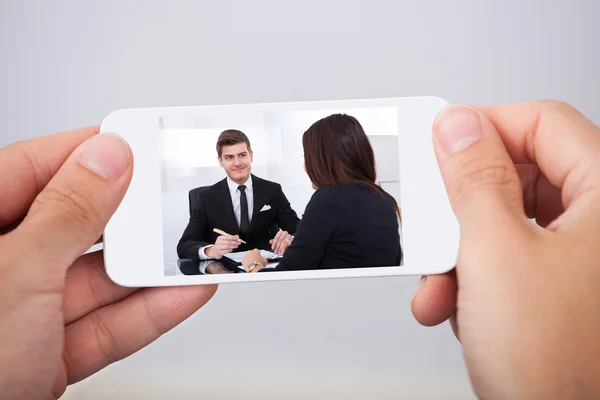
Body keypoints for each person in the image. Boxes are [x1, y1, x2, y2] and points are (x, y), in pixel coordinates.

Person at [2, 100, 600, 399]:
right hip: (219, 269)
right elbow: (188, 247)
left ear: (255, 158)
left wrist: (278, 247)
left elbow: (299, 243)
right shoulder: (372, 199)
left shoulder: (291, 194)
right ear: (219, 162)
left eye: (245, 156)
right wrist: (215, 247)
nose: (240, 164)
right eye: (231, 158)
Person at [240, 113, 402, 272]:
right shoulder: (384, 200)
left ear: (322, 159)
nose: (305, 166)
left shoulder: (328, 200)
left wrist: (253, 265)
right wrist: (300, 248)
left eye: (307, 157)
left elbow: (286, 276)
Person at [176, 129, 300, 262]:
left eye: (242, 155)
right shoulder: (206, 197)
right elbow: (184, 246)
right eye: (229, 157)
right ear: (220, 161)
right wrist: (211, 250)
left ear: (251, 155)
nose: (237, 163)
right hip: (223, 271)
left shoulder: (272, 190)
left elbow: (300, 231)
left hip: (264, 267)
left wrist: (290, 239)